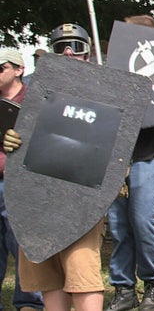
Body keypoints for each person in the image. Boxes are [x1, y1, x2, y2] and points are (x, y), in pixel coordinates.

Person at [4, 23, 105, 311]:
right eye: (61, 46)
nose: (69, 51)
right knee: (48, 272)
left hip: (81, 193)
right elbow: (26, 135)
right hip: (37, 193)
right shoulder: (37, 89)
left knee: (81, 271)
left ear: (88, 51)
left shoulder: (104, 89)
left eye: (76, 45)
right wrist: (13, 140)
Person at [106, 15, 154, 311]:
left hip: (148, 157)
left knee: (144, 221)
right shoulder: (115, 72)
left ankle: (152, 284)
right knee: (118, 226)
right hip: (117, 157)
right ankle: (123, 288)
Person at [0, 48, 44, 311]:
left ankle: (29, 301)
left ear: (19, 69)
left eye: (0, 67)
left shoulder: (35, 101)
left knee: (24, 248)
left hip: (22, 185)